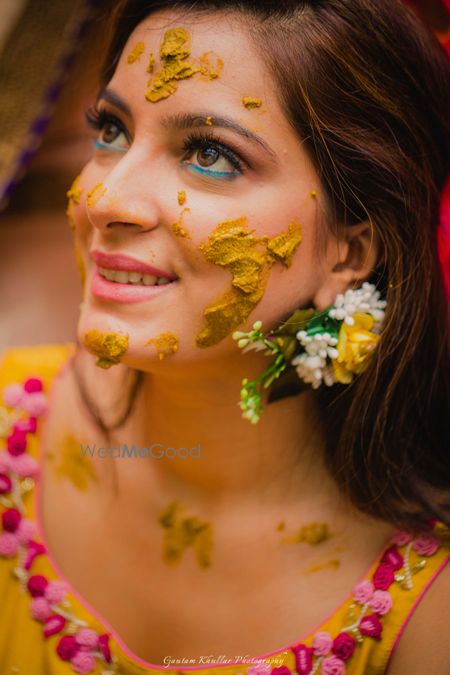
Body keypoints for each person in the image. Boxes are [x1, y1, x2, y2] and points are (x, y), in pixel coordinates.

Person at [1, 0, 449, 673]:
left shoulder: (427, 609)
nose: (104, 198)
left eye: (209, 153)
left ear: (349, 253)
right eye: (111, 130)